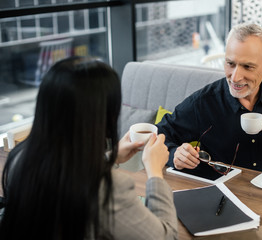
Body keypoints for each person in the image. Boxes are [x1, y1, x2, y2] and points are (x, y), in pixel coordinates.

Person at [0, 57, 177, 240]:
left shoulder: (19, 159)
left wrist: (111, 158)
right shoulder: (110, 189)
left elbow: (68, 175)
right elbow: (167, 236)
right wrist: (155, 173)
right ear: (100, 118)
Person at [157, 23, 262, 178]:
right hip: (222, 189)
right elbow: (159, 133)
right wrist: (174, 155)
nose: (235, 77)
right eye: (230, 64)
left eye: (248, 66)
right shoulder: (204, 101)